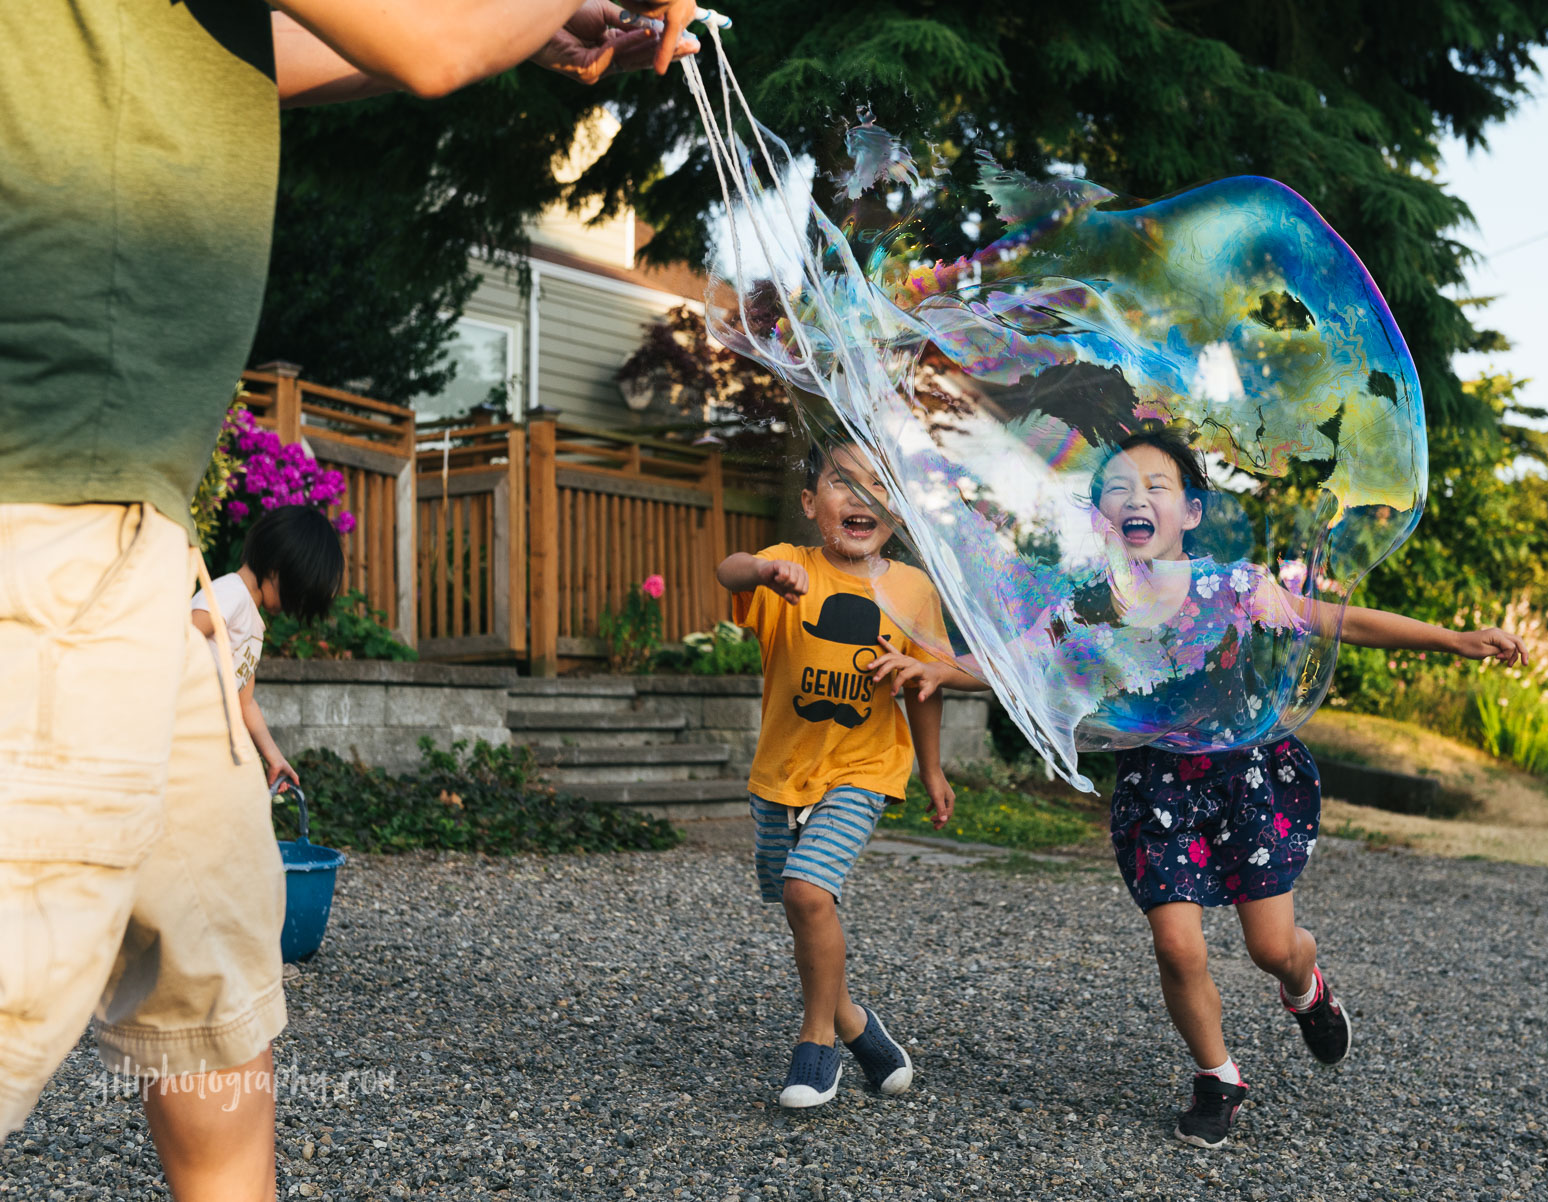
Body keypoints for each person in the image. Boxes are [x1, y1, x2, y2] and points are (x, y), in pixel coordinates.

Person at [0, 1, 695, 1196]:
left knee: (217, 1002)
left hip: (142, 551)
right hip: (46, 519)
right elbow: (424, 40)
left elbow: (282, 56)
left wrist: (531, 32)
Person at [1070, 430, 1525, 1148]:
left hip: (1241, 782)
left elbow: (1337, 621)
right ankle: (1218, 1077)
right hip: (1155, 790)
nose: (1137, 497)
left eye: (1156, 486)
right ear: (1101, 513)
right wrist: (940, 670)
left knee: (1272, 948)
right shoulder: (1096, 605)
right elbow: (1020, 655)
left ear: (1190, 512)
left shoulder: (1234, 588)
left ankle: (1306, 989)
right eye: (1119, 487)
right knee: (1177, 946)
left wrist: (1451, 637)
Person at [716, 442, 983, 1109]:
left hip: (865, 769)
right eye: (843, 484)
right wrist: (761, 571)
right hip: (781, 774)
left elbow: (926, 682)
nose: (861, 499)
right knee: (802, 910)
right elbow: (728, 572)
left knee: (808, 892)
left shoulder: (912, 589)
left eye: (878, 486)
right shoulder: (788, 568)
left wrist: (931, 769)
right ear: (811, 504)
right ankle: (862, 1030)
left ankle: (816, 1044)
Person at [190, 506, 346, 794]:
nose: (291, 607)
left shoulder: (253, 623)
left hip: (204, 746)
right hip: (183, 735)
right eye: (296, 592)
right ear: (277, 568)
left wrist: (273, 756)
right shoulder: (232, 594)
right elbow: (177, 637)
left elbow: (245, 703)